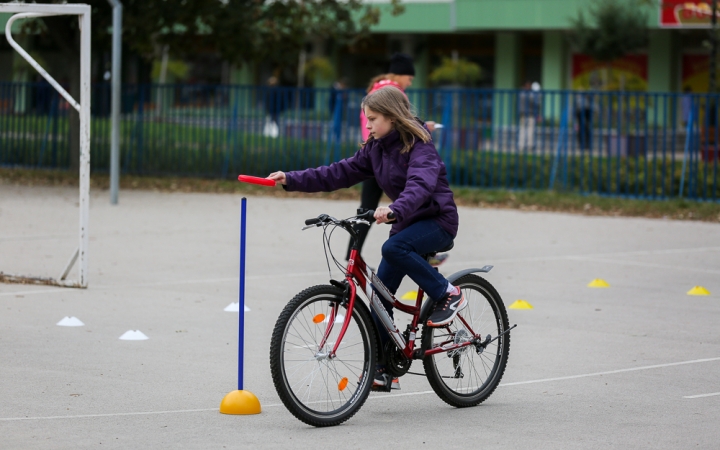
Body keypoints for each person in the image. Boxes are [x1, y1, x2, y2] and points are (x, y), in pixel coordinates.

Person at [267, 87, 463, 390]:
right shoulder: (376, 148)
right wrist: (291, 179)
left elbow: (420, 185)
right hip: (406, 221)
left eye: (372, 119)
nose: (368, 125)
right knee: (379, 299)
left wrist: (396, 209)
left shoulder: (420, 146)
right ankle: (385, 370)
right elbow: (337, 173)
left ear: (392, 117)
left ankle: (448, 293)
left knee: (394, 246)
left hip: (437, 221)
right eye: (366, 119)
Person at [348, 53, 446, 266]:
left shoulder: (375, 88)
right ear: (401, 75)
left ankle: (353, 255)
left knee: (375, 208)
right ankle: (354, 255)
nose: (409, 84)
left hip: (380, 153)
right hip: (384, 155)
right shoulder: (392, 93)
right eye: (409, 79)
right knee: (400, 204)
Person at [517, 81, 541, 150]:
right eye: (529, 86)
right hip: (530, 115)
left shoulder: (520, 93)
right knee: (530, 130)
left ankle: (521, 146)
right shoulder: (529, 94)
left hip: (522, 114)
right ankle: (529, 146)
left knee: (522, 130)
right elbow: (535, 103)